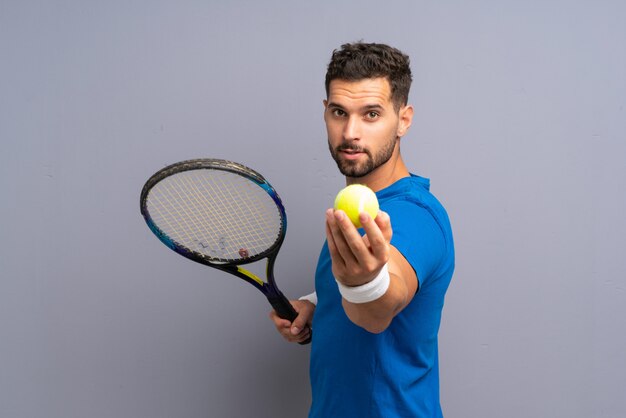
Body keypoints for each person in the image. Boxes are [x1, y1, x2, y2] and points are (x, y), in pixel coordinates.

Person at [269, 42, 455, 417]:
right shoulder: (354, 208)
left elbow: (381, 307)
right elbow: (357, 298)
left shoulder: (415, 217)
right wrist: (318, 306)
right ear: (325, 112)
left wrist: (366, 284)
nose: (350, 132)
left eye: (371, 114)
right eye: (340, 112)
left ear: (404, 119)